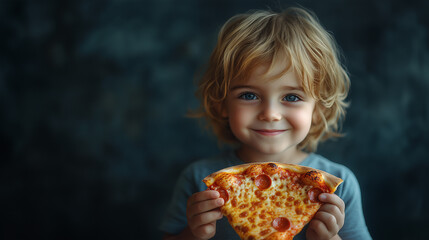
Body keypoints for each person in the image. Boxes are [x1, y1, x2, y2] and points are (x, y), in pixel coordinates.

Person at [160, 7, 372, 240]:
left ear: (318, 110)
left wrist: (330, 238)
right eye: (249, 95)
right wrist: (193, 233)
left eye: (291, 97)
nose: (270, 114)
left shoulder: (339, 185)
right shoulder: (197, 178)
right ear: (221, 103)